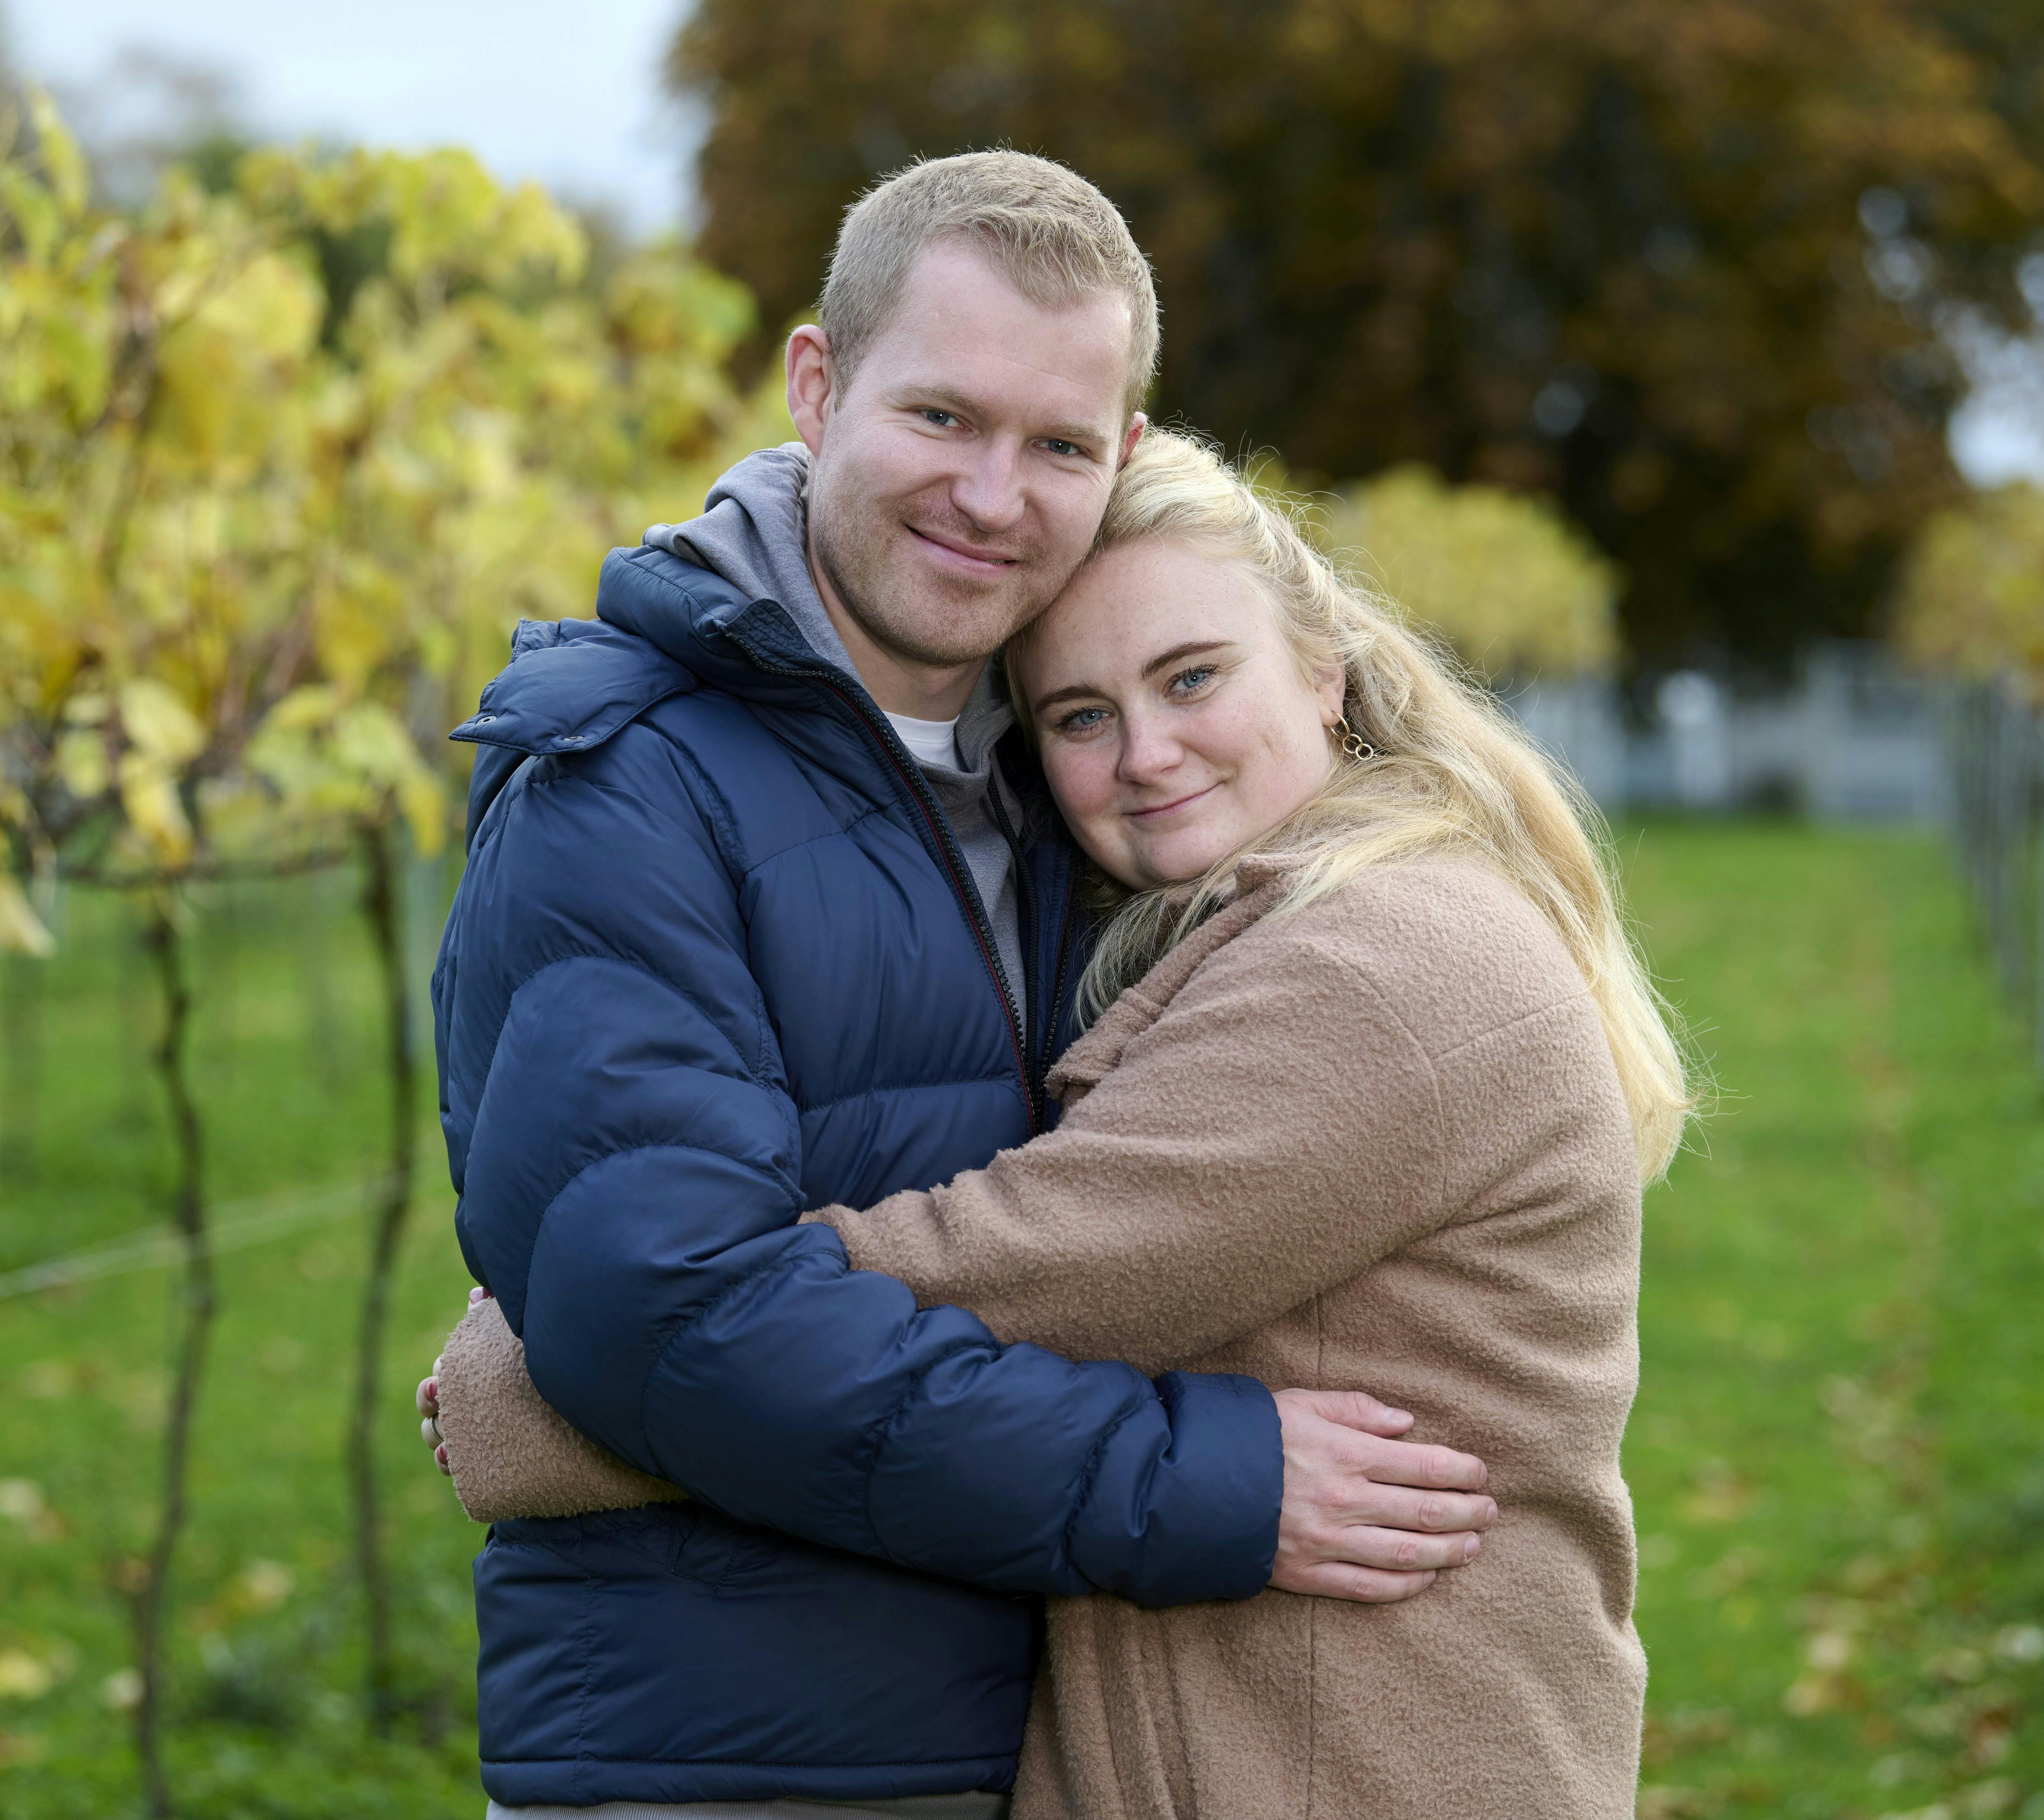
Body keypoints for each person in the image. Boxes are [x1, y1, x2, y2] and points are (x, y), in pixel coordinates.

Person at [430, 152, 1494, 1818]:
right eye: (944, 418)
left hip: (1035, 1735)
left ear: (1123, 453)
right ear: (816, 385)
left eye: (1058, 445)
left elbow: (1089, 1243)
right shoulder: (623, 786)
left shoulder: (1078, 780)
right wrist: (1202, 1479)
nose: (995, 497)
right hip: (731, 1759)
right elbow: (678, 1321)